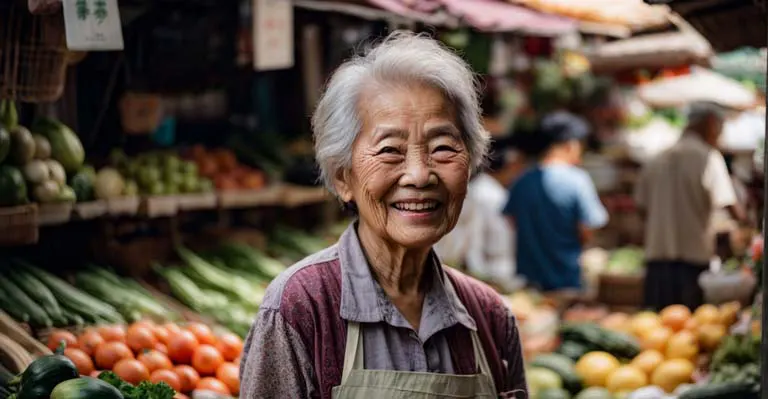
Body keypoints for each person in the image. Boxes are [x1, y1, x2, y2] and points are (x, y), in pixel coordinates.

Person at [240, 31, 526, 398]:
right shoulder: (301, 308)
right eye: (390, 150)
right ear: (344, 177)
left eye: (442, 147)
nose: (420, 175)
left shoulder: (490, 317)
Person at [635, 102, 747, 311]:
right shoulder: (707, 157)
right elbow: (731, 207)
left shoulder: (656, 158)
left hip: (657, 263)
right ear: (711, 124)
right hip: (693, 264)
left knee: (655, 326)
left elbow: (641, 208)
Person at [503, 111, 608, 292]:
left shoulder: (522, 180)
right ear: (571, 145)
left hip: (528, 283)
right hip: (567, 280)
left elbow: (511, 221)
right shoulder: (577, 180)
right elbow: (588, 227)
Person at [434, 138, 520, 290]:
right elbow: (475, 243)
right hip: (485, 271)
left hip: (476, 272)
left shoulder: (479, 191)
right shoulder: (489, 194)